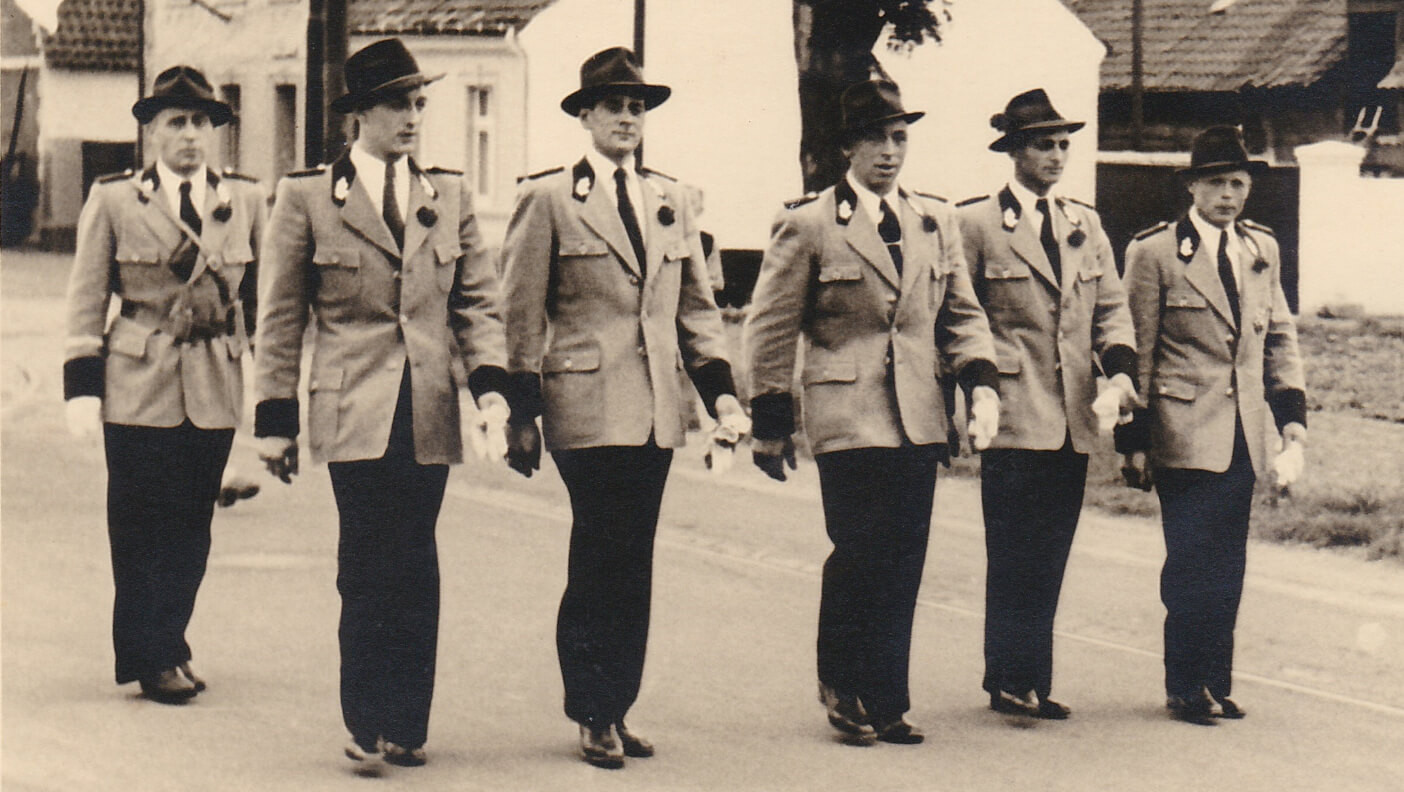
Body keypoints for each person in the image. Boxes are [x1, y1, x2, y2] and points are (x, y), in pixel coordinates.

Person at [252, 38, 510, 773]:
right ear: (358, 114)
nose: (414, 117)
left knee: (417, 558)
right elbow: (280, 317)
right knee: (367, 558)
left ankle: (406, 721)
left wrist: (490, 385)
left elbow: (478, 302)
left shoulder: (447, 196)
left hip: (428, 404)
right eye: (399, 103)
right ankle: (364, 720)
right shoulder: (306, 198)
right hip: (351, 404)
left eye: (420, 102)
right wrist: (274, 421)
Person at [499, 46, 748, 769]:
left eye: (638, 107)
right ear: (585, 116)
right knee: (601, 549)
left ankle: (618, 703)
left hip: (656, 410)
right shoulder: (548, 199)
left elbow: (696, 309)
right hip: (582, 401)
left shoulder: (671, 198)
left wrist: (722, 396)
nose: (628, 119)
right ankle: (592, 708)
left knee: (633, 557)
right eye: (614, 106)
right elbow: (519, 313)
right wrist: (521, 412)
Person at [743, 79, 999, 745]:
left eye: (900, 138)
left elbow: (961, 314)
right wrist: (770, 419)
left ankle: (888, 697)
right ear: (846, 148)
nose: (890, 152)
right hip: (845, 411)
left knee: (904, 556)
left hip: (918, 412)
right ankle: (842, 684)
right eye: (876, 139)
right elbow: (770, 327)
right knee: (859, 548)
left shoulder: (933, 220)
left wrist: (981, 379)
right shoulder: (808, 224)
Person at [62, 65, 265, 704]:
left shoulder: (247, 200)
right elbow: (86, 297)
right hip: (136, 377)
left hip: (213, 379)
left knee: (190, 525)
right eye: (176, 122)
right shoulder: (117, 199)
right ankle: (150, 654)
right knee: (137, 524)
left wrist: (269, 388)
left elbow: (262, 303)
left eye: (202, 122)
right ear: (150, 130)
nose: (190, 136)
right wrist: (81, 386)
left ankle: (169, 640)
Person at [955, 88, 1137, 720]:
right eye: (1043, 144)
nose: (1057, 155)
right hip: (1009, 411)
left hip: (1074, 417)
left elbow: (1112, 309)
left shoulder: (1085, 224)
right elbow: (959, 314)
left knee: (1051, 551)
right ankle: (1006, 676)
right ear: (1013, 152)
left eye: (1064, 144)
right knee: (1012, 551)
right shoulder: (975, 224)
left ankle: (1033, 676)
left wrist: (1118, 372)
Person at [1118, 126, 1307, 726]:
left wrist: (1292, 421)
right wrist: (1133, 440)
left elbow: (1278, 336)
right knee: (1191, 560)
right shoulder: (1153, 254)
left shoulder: (1261, 249)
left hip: (1244, 433)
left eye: (1238, 184)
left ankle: (1216, 680)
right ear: (1192, 187)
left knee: (1228, 564)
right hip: (1181, 428)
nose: (1228, 195)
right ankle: (1185, 683)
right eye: (1216, 183)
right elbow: (1136, 350)